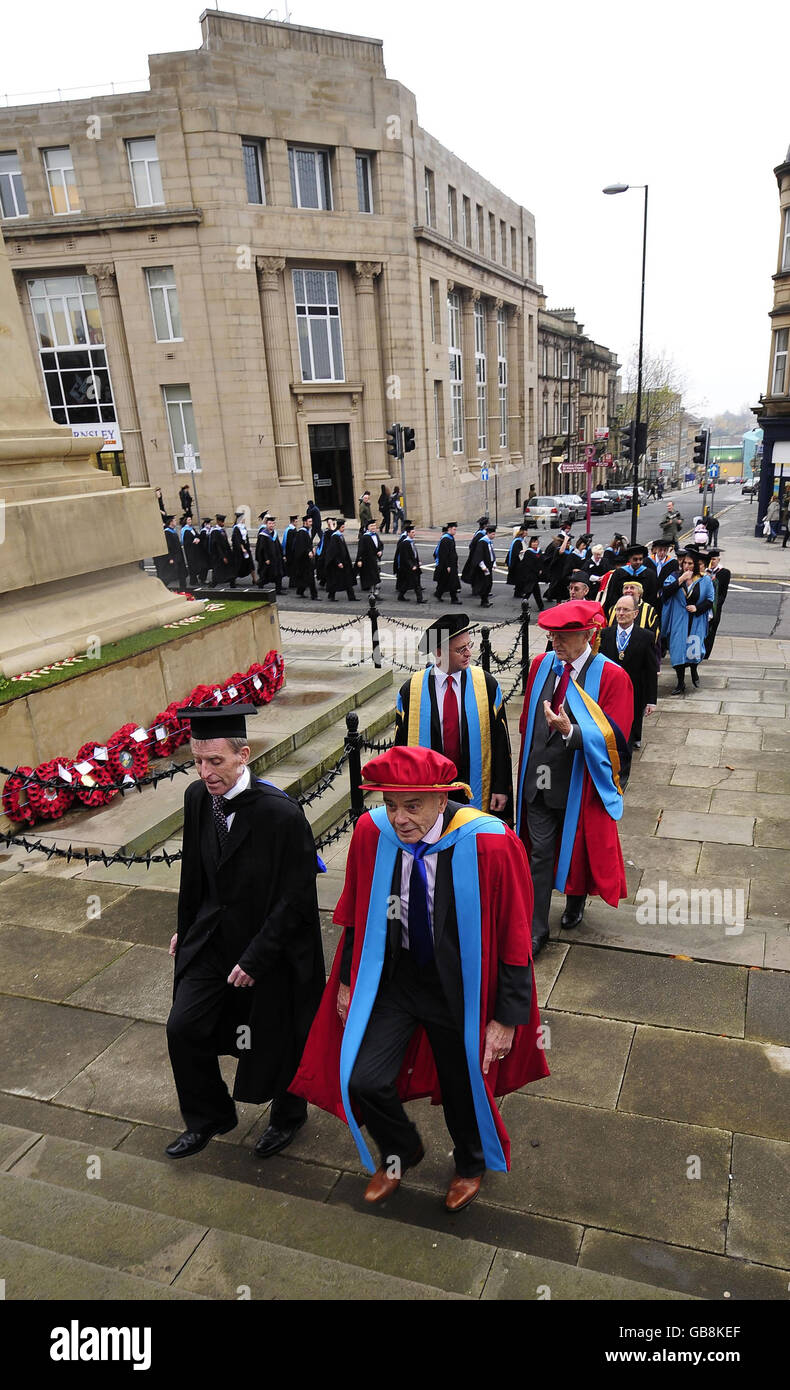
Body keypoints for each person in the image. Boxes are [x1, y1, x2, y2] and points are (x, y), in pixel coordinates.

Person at [290, 747, 549, 1211]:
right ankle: (401, 1150)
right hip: (397, 978)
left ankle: (470, 1164)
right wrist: (348, 980)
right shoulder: (373, 833)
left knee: (462, 1085)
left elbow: (515, 935)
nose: (400, 819)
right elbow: (356, 914)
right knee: (362, 1077)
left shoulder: (488, 841)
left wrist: (507, 1018)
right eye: (391, 805)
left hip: (461, 986)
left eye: (412, 806)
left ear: (441, 798)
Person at [165, 704, 325, 1160]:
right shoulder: (198, 798)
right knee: (183, 1027)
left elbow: (295, 900)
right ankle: (209, 1116)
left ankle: (289, 1116)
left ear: (243, 755)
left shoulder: (282, 815)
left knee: (279, 1035)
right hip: (213, 940)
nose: (205, 771)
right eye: (197, 760)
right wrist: (186, 930)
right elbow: (193, 874)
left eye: (215, 761)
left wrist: (256, 958)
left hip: (270, 950)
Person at [516, 599, 633, 954]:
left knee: (578, 849)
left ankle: (576, 897)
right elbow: (527, 723)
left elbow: (617, 739)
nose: (556, 642)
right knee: (539, 855)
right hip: (538, 780)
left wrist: (572, 732)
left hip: (579, 783)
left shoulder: (612, 676)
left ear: (589, 633)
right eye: (553, 635)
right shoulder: (541, 665)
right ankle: (537, 930)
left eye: (565, 636)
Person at [394, 613, 513, 818]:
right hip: (431, 786)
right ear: (439, 652)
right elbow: (401, 746)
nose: (469, 653)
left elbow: (501, 742)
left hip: (474, 784)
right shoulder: (412, 690)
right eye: (461, 649)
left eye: (469, 645)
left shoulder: (486, 685)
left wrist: (501, 787)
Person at [599, 593, 658, 749]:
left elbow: (651, 670)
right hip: (611, 688)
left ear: (635, 613)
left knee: (631, 721)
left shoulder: (646, 636)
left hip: (635, 688)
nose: (621, 613)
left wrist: (651, 700)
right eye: (618, 609)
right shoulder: (605, 634)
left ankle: (632, 739)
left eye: (625, 610)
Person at [661, 550, 715, 694]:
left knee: (693, 650)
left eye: (690, 563)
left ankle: (694, 669)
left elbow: (710, 600)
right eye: (684, 563)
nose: (686, 566)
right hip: (679, 619)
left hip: (695, 620)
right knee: (677, 650)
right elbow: (665, 593)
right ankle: (680, 683)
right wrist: (680, 580)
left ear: (696, 565)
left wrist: (697, 608)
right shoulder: (674, 577)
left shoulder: (704, 580)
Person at [603, 543, 659, 614]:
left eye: (640, 559)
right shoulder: (619, 573)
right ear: (629, 559)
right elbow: (612, 595)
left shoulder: (650, 574)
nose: (638, 562)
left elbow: (652, 597)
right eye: (635, 559)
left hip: (643, 613)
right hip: (621, 611)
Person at [705, 548, 730, 657]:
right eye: (710, 559)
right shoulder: (704, 571)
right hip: (703, 607)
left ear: (718, 560)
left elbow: (723, 593)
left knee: (711, 633)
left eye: (714, 559)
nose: (712, 561)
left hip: (715, 609)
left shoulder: (724, 572)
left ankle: (706, 655)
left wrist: (715, 605)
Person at [325, 518, 357, 601]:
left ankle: (351, 597)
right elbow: (333, 551)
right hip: (338, 563)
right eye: (343, 527)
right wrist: (338, 562)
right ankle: (331, 595)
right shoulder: (335, 537)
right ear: (339, 527)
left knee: (347, 579)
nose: (344, 528)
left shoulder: (340, 535)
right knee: (336, 580)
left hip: (344, 562)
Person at [393, 521, 426, 602]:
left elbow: (414, 554)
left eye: (414, 532)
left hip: (413, 566)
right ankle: (419, 599)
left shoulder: (411, 542)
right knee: (416, 583)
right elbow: (405, 557)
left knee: (407, 583)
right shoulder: (405, 543)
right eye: (412, 532)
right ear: (408, 533)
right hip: (408, 567)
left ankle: (401, 596)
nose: (414, 533)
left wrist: (418, 561)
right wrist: (412, 566)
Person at [467, 523, 497, 608]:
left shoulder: (489, 542)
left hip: (489, 566)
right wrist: (483, 566)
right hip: (484, 568)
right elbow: (479, 556)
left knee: (489, 584)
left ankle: (485, 600)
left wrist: (494, 562)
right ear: (488, 533)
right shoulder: (482, 542)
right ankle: (483, 601)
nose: (494, 536)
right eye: (493, 534)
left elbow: (492, 553)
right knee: (485, 584)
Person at [256, 514, 284, 594]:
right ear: (266, 524)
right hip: (268, 560)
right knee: (266, 574)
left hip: (276, 558)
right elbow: (262, 548)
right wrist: (266, 558)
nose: (271, 525)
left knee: (279, 574)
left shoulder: (275, 533)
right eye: (270, 523)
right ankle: (260, 584)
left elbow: (278, 545)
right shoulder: (263, 535)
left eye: (272, 523)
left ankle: (278, 590)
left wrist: (282, 555)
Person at [434, 522, 461, 603]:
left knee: (444, 581)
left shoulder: (450, 538)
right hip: (448, 565)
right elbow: (443, 555)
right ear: (449, 529)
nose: (455, 531)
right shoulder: (445, 539)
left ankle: (438, 594)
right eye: (454, 529)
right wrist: (448, 566)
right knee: (452, 582)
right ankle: (454, 599)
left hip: (452, 564)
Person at [293, 515, 319, 599]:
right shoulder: (301, 532)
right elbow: (301, 546)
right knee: (310, 577)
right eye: (310, 522)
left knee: (305, 577)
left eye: (311, 521)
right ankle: (314, 596)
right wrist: (308, 552)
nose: (311, 523)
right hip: (303, 560)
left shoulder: (307, 531)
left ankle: (300, 591)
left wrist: (312, 549)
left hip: (306, 560)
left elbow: (307, 544)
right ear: (305, 522)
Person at [517, 535, 545, 610]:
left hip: (536, 574)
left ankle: (525, 602)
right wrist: (537, 570)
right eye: (533, 542)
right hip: (530, 574)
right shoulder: (528, 552)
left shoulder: (539, 551)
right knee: (535, 590)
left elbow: (542, 561)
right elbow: (529, 565)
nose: (535, 544)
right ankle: (540, 606)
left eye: (536, 542)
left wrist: (541, 569)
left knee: (531, 590)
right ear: (530, 543)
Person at [355, 517, 382, 593]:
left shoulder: (376, 535)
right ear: (368, 527)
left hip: (374, 558)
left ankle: (373, 589)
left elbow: (379, 544)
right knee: (371, 575)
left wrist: (380, 551)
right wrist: (359, 559)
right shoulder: (364, 537)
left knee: (375, 574)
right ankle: (373, 593)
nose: (374, 527)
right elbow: (360, 550)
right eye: (371, 526)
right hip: (367, 559)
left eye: (374, 526)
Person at [209, 515, 236, 589]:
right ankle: (213, 584)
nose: (223, 523)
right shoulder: (215, 531)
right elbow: (217, 546)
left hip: (226, 553)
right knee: (218, 571)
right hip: (218, 556)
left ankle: (232, 583)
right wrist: (223, 556)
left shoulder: (222, 530)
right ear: (218, 521)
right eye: (222, 522)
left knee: (230, 569)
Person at [231, 511, 254, 584]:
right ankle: (232, 581)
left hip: (246, 548)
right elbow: (237, 540)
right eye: (243, 518)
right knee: (238, 565)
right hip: (239, 550)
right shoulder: (236, 528)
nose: (244, 519)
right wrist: (242, 548)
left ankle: (254, 580)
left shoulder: (243, 527)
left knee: (251, 563)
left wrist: (248, 546)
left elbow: (246, 538)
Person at [180, 514, 202, 588]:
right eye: (189, 520)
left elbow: (197, 535)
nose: (190, 521)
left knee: (195, 564)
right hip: (190, 551)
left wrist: (198, 538)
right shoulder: (185, 530)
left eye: (190, 519)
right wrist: (193, 541)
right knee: (192, 565)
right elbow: (186, 542)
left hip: (195, 549)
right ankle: (192, 581)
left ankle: (195, 579)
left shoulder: (192, 529)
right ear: (185, 521)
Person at [282, 515, 299, 580]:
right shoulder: (290, 531)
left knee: (292, 568)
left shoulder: (288, 529)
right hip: (290, 553)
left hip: (289, 552)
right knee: (292, 568)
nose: (297, 523)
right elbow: (288, 543)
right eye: (296, 522)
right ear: (293, 522)